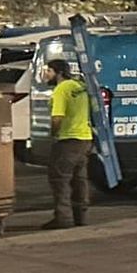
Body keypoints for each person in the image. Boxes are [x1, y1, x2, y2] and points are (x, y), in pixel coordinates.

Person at [42, 57, 95, 229]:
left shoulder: (61, 90)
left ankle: (63, 218)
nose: (46, 74)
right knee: (80, 180)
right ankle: (81, 216)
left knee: (60, 179)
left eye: (49, 71)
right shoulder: (80, 86)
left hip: (68, 140)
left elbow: (57, 117)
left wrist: (53, 134)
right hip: (85, 138)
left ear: (58, 73)